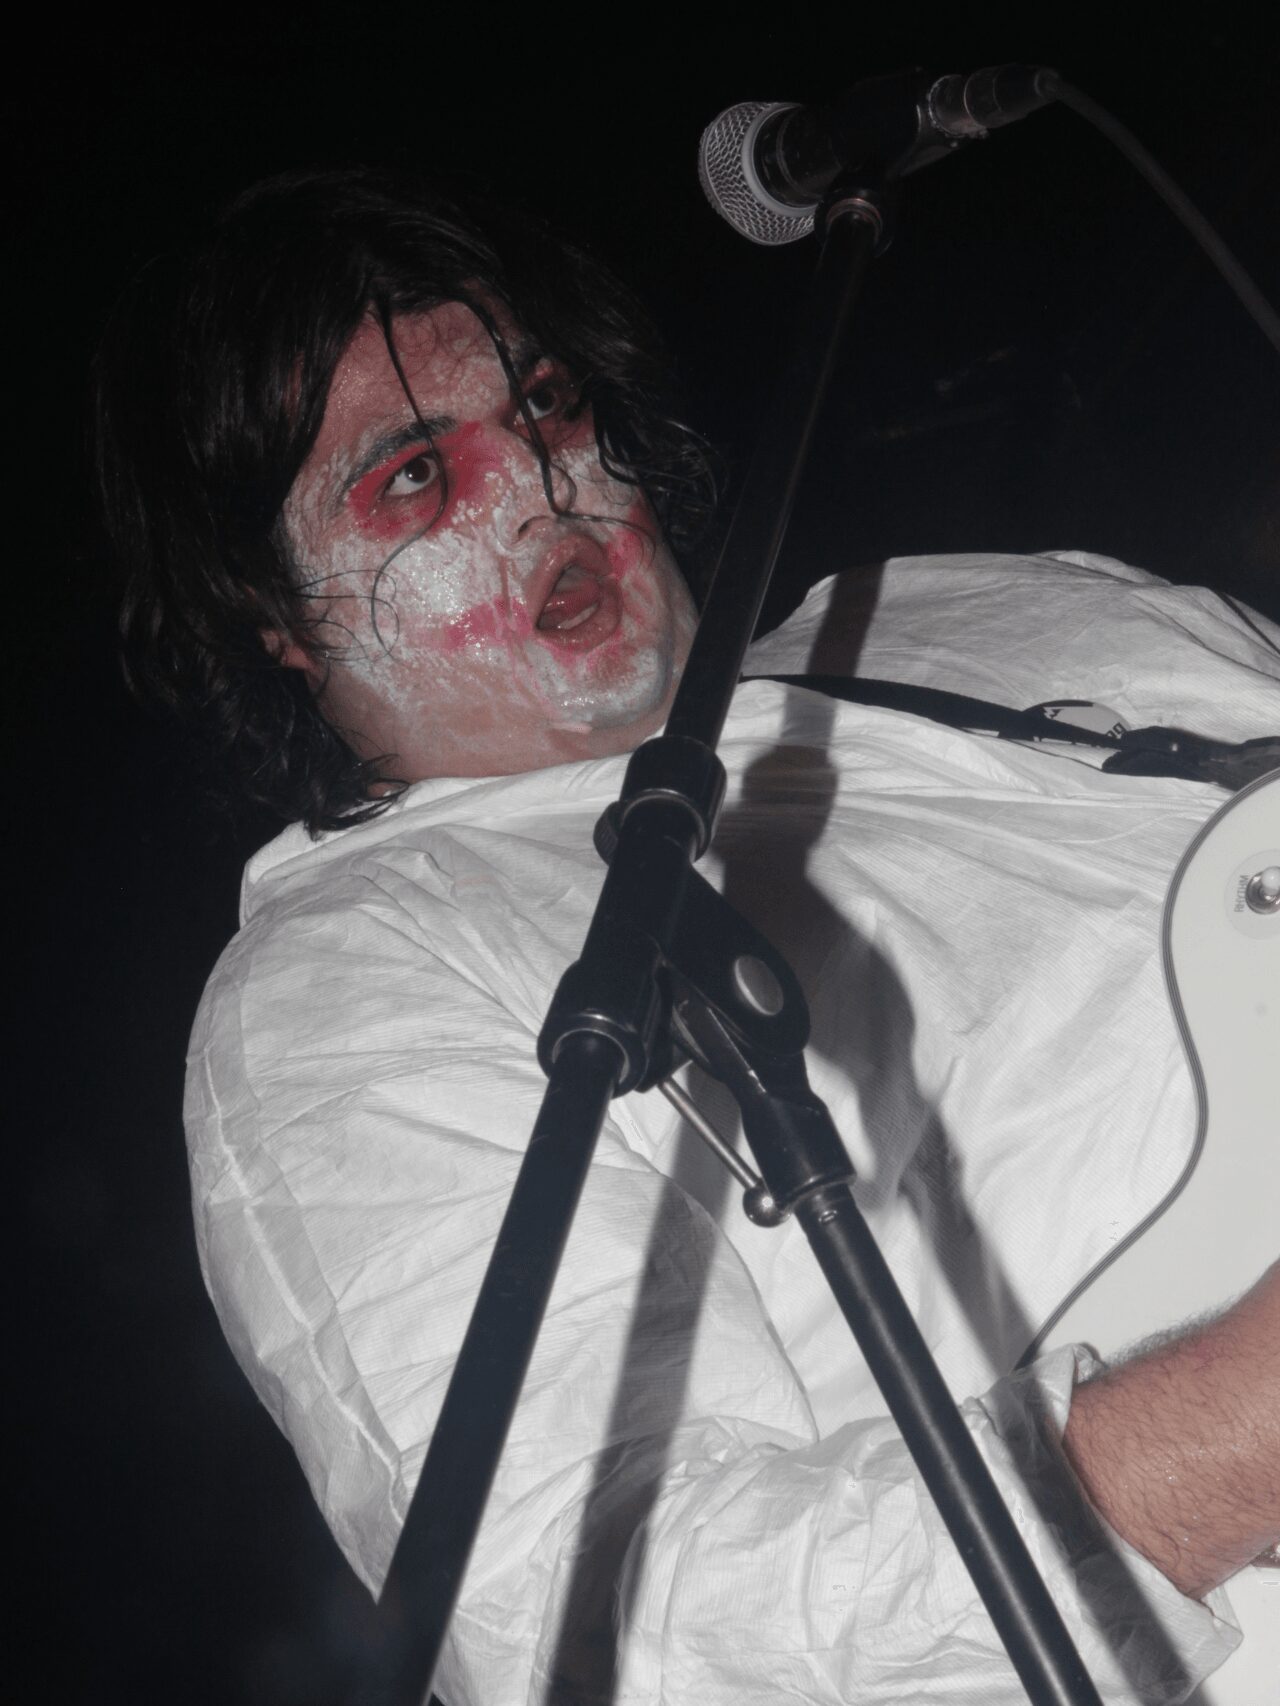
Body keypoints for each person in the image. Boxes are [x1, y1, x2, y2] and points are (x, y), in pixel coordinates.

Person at [95, 167, 1279, 1704]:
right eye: (412, 481)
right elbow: (618, 1624)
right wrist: (1234, 1435)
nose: (536, 488)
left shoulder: (955, 603)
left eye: (544, 404)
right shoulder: (349, 978)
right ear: (274, 621)